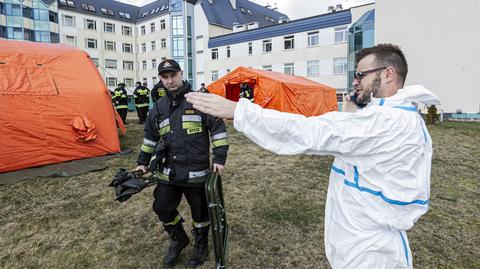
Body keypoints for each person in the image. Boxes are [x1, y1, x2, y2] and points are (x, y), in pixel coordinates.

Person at [186, 44, 441, 269]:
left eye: (362, 75)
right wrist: (353, 112)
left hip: (370, 250)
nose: (356, 81)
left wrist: (240, 111)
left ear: (388, 74)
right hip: (360, 236)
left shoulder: (389, 121)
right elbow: (355, 141)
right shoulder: (386, 117)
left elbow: (311, 132)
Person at [136, 59, 229, 268]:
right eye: (165, 77)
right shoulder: (158, 107)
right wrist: (142, 161)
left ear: (181, 74)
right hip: (168, 173)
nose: (170, 81)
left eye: (173, 75)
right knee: (161, 207)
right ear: (160, 79)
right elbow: (150, 137)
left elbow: (218, 128)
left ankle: (201, 244)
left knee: (201, 213)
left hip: (195, 172)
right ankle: (179, 238)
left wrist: (220, 157)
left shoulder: (198, 100)